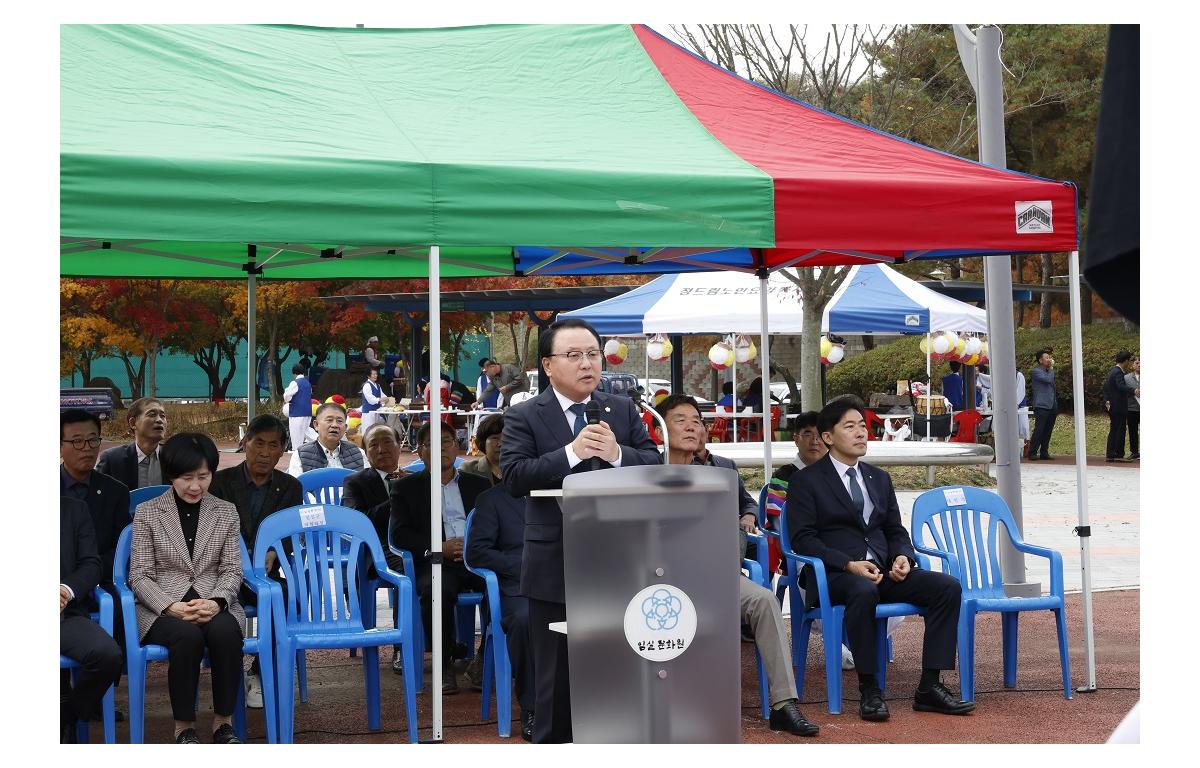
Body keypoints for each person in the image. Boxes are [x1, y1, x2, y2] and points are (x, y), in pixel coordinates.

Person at [499, 317, 661, 743]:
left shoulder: (621, 410)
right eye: (574, 355)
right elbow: (514, 476)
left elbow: (654, 466)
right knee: (555, 672)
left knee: (621, 662)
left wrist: (618, 454)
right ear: (549, 365)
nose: (588, 363)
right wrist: (570, 453)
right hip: (556, 560)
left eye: (593, 354)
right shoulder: (523, 416)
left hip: (620, 560)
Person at [785, 397, 973, 722]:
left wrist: (903, 556)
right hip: (836, 576)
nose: (861, 433)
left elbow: (894, 529)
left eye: (862, 425)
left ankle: (929, 686)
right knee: (862, 590)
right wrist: (848, 564)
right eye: (850, 427)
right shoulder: (807, 481)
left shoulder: (878, 478)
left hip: (883, 573)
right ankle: (869, 689)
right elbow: (804, 539)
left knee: (946, 587)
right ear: (828, 437)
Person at [656, 395, 819, 737]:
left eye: (697, 421)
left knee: (764, 599)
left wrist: (746, 514)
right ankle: (673, 706)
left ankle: (783, 704)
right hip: (663, 579)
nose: (691, 426)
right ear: (660, 429)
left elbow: (746, 501)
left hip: (718, 573)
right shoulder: (647, 471)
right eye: (680, 419)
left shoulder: (719, 471)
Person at [128, 433, 246, 743]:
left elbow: (232, 569)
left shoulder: (225, 511)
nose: (195, 486)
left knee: (225, 632)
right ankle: (184, 727)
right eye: (186, 478)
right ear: (171, 475)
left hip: (212, 599)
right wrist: (169, 606)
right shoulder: (148, 512)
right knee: (186, 636)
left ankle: (223, 722)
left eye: (203, 477)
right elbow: (139, 574)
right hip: (163, 606)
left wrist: (218, 602)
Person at [390, 421, 490, 694]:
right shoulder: (406, 488)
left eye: (445, 441)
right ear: (420, 452)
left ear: (456, 447)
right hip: (437, 560)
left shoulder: (479, 485)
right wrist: (439, 547)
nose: (440, 448)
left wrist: (473, 546)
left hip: (475, 559)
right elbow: (399, 535)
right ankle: (444, 662)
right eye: (431, 443)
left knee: (505, 585)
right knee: (435, 590)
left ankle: (483, 659)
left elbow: (493, 525)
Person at [209, 414, 302, 708]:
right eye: (258, 443)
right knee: (219, 606)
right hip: (221, 572)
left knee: (282, 595)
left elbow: (291, 532)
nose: (264, 452)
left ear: (282, 449)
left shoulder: (290, 487)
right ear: (245, 443)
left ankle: (261, 671)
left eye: (273, 445)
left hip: (264, 572)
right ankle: (224, 670)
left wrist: (275, 551)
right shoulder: (220, 482)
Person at [767, 411, 856, 670]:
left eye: (819, 435)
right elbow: (777, 524)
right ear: (795, 438)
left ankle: (863, 637)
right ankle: (838, 639)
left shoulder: (839, 472)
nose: (814, 441)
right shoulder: (785, 476)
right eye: (807, 434)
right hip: (802, 554)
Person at [464, 420, 537, 741]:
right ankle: (535, 708)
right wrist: (522, 564)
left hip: (566, 586)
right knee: (526, 621)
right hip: (518, 589)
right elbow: (477, 553)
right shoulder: (491, 500)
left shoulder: (559, 494)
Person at [61, 410, 132, 666]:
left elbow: (121, 547)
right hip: (60, 579)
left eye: (93, 440)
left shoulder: (115, 491)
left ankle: (108, 690)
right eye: (77, 441)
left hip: (101, 574)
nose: (86, 448)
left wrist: (90, 572)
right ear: (60, 445)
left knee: (119, 602)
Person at [341, 422, 407, 673]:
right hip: (377, 549)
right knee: (405, 570)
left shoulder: (415, 478)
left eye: (387, 442)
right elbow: (356, 520)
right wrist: (395, 496)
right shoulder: (356, 482)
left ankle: (444, 641)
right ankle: (401, 646)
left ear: (399, 445)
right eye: (373, 445)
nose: (381, 449)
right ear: (366, 453)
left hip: (411, 545)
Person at [60, 496, 123, 743]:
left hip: (63, 613)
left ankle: (68, 717)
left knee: (108, 655)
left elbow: (91, 564)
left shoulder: (74, 507)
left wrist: (65, 590)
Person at [96, 397, 168, 490]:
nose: (159, 420)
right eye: (152, 414)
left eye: (162, 416)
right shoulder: (112, 460)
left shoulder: (174, 457)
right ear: (133, 423)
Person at [287, 402, 367, 476]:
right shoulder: (301, 454)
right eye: (329, 420)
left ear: (345, 427)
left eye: (339, 421)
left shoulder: (358, 453)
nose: (335, 425)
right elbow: (297, 488)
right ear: (316, 425)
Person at [1104, 351, 1139, 462]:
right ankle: (1112, 453)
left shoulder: (1113, 371)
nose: (1129, 363)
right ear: (1126, 361)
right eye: (1129, 361)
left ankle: (1114, 453)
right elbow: (1120, 386)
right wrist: (1133, 390)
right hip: (1118, 406)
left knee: (1115, 428)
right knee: (1116, 429)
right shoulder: (1118, 372)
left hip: (1114, 405)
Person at [1028, 350, 1058, 461]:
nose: (1049, 359)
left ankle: (1044, 451)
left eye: (1050, 357)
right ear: (1040, 360)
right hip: (1041, 405)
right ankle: (1032, 451)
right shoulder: (1036, 371)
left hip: (1052, 404)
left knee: (1048, 429)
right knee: (1039, 429)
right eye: (1046, 357)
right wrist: (1050, 369)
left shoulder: (1048, 371)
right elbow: (1048, 379)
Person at [460, 414, 504, 483]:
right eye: (495, 438)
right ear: (483, 442)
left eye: (506, 438)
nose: (500, 444)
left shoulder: (520, 469)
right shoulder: (468, 470)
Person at [281, 363, 313, 451]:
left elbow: (287, 395)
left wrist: (286, 400)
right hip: (307, 412)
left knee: (296, 434)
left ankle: (296, 452)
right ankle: (323, 442)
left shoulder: (295, 383)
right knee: (307, 431)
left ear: (294, 373)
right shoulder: (308, 383)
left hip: (296, 412)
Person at [1124, 357, 1140, 460]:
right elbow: (1122, 390)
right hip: (1132, 409)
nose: (1139, 365)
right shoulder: (1126, 378)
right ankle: (1134, 452)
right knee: (1132, 431)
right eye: (1137, 363)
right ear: (1132, 365)